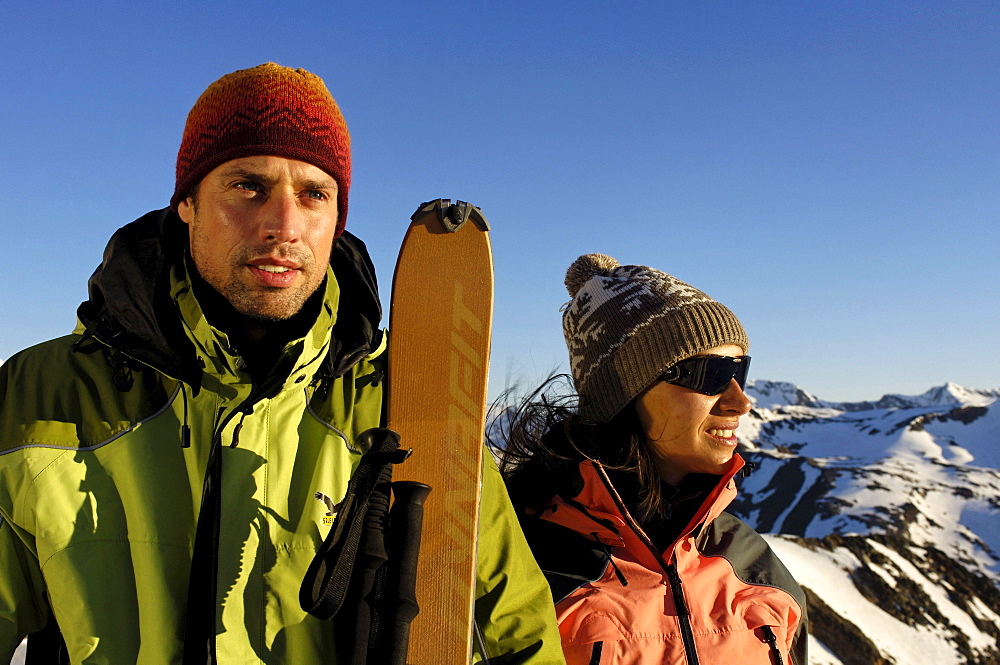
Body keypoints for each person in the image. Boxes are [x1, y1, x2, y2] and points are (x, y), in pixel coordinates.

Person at [0, 63, 565, 664]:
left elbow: (515, 638)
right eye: (248, 186)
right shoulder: (44, 397)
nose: (284, 226)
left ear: (336, 220)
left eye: (314, 195)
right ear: (187, 201)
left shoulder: (407, 408)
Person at [495, 253, 808, 665]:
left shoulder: (758, 570)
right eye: (708, 374)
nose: (740, 401)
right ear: (622, 396)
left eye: (739, 371)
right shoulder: (522, 567)